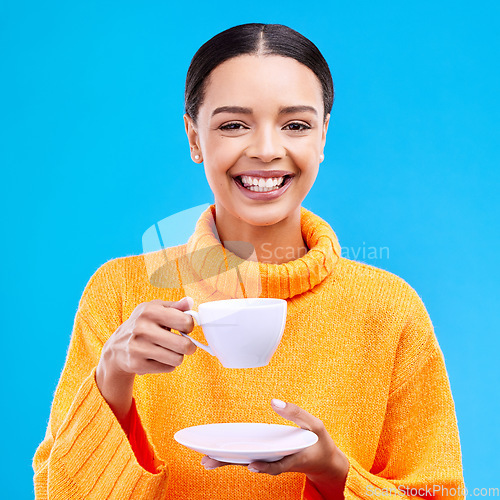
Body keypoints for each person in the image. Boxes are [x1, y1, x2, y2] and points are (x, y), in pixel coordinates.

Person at [33, 23, 465, 500]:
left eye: (295, 125)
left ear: (323, 136)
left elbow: (438, 493)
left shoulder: (388, 307)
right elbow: (58, 492)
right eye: (233, 124)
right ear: (194, 137)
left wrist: (334, 473)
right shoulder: (120, 292)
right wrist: (112, 380)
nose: (265, 149)